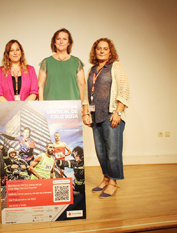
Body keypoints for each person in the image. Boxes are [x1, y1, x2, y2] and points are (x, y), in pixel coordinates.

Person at [82, 38, 129, 198]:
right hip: (96, 116)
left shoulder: (116, 67)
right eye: (99, 48)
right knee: (101, 151)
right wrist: (86, 112)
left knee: (113, 152)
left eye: (105, 48)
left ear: (110, 51)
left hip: (111, 115)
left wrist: (118, 112)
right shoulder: (92, 70)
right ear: (95, 51)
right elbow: (87, 94)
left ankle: (113, 182)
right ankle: (106, 177)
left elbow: (124, 91)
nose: (101, 51)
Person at [0, 40, 38, 128]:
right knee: (7, 141)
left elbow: (34, 92)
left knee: (24, 141)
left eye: (17, 50)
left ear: (21, 52)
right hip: (5, 115)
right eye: (11, 50)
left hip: (25, 114)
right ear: (7, 54)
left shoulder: (30, 69)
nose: (15, 53)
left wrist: (20, 108)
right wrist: (12, 110)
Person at [38, 28, 85, 101]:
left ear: (69, 42)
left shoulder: (76, 62)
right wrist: (41, 105)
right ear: (54, 42)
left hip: (71, 107)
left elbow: (82, 84)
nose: (61, 42)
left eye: (64, 39)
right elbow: (40, 85)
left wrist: (81, 105)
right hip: (51, 107)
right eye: (58, 39)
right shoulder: (46, 62)